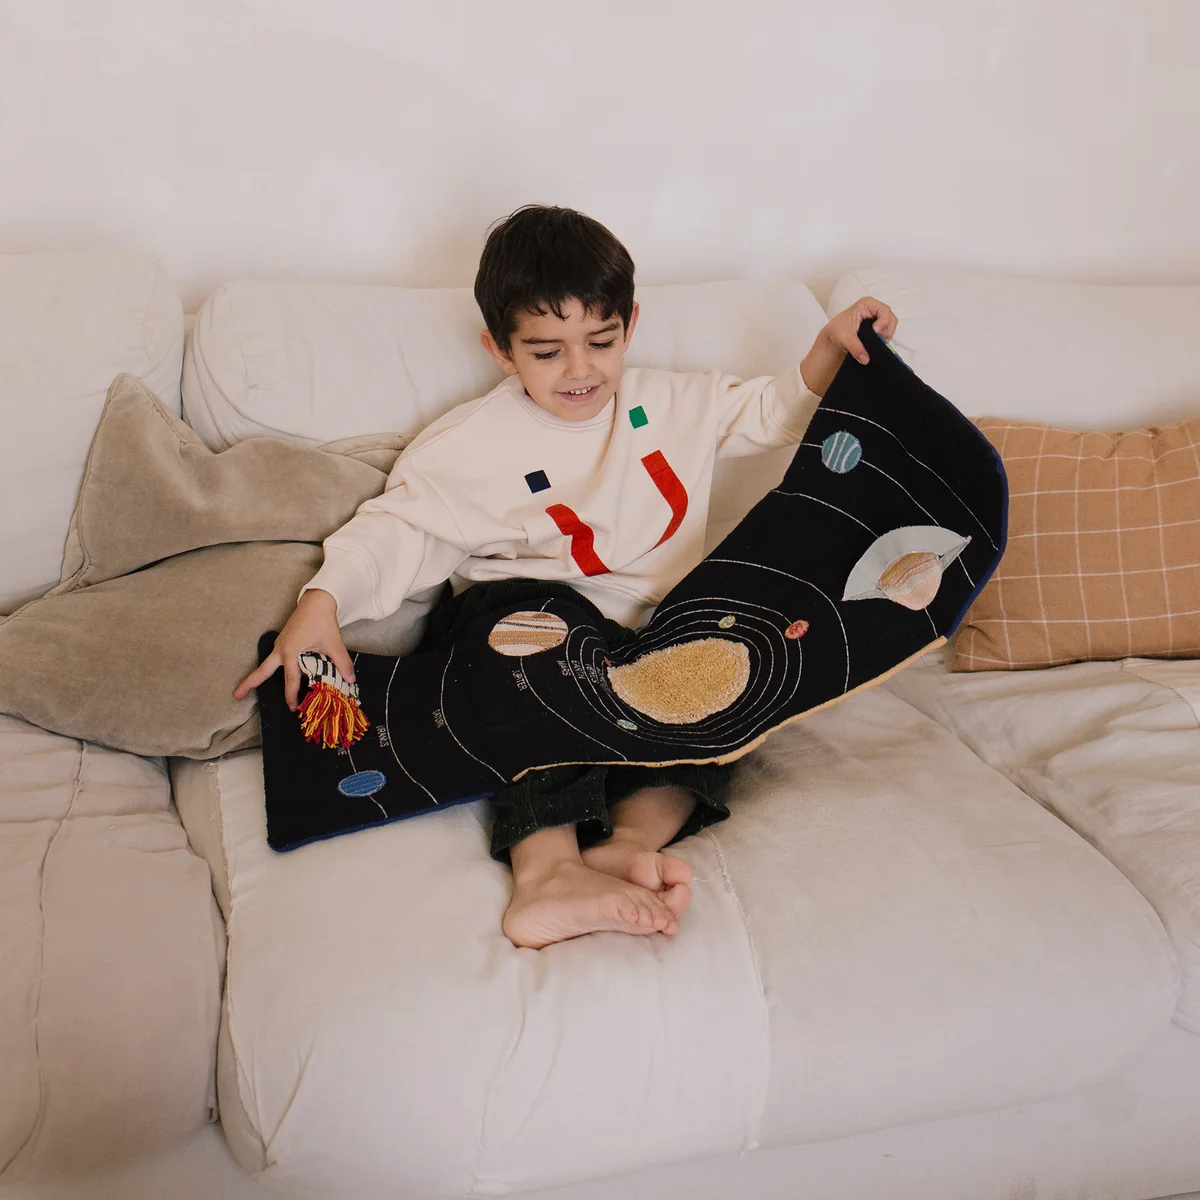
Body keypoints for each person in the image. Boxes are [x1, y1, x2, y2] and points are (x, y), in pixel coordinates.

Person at [236, 205, 897, 949]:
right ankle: (546, 871)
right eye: (547, 352)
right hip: (529, 624)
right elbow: (399, 529)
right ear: (500, 349)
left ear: (630, 325)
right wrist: (322, 602)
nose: (580, 371)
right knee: (533, 651)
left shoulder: (675, 402)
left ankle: (626, 845)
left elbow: (775, 413)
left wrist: (828, 348)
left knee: (727, 692)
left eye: (600, 342)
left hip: (648, 633)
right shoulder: (469, 444)